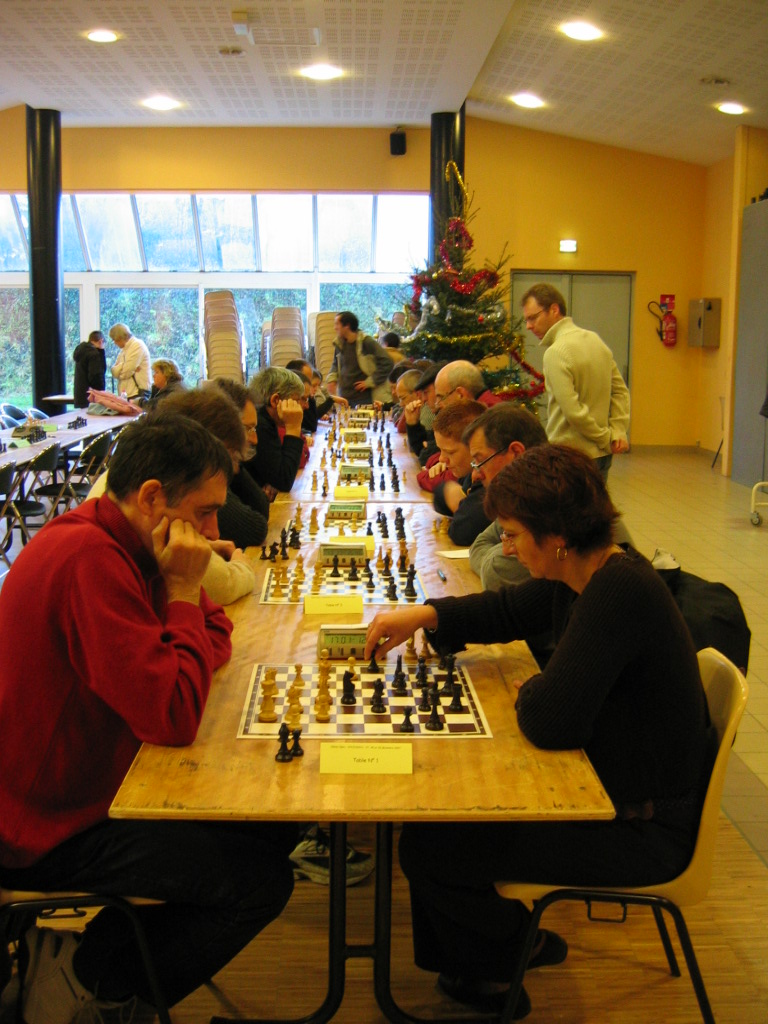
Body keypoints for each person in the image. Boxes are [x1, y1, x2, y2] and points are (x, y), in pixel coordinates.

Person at [364, 444, 711, 1020]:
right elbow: (505, 611)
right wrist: (427, 614)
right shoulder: (586, 572)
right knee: (437, 825)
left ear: (556, 537)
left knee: (433, 846)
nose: (506, 547)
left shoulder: (618, 591)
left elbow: (550, 722)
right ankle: (482, 961)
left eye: (512, 535)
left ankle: (507, 957)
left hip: (642, 827)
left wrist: (534, 689)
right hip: (607, 791)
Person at [0, 413, 298, 1021]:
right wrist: (183, 594)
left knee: (276, 824)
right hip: (42, 827)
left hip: (90, 787)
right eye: (205, 512)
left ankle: (83, 959)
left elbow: (215, 634)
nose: (214, 532)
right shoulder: (90, 558)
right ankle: (85, 986)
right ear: (153, 496)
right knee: (258, 883)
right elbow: (173, 713)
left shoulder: (122, 542)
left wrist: (184, 614)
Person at [521, 283, 630, 480]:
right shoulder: (595, 341)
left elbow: (572, 411)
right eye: (526, 320)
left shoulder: (556, 352)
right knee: (596, 500)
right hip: (602, 455)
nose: (528, 326)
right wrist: (617, 432)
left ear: (554, 310)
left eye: (533, 318)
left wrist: (605, 437)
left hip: (569, 456)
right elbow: (621, 392)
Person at [428, 401, 489, 546]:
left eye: (450, 452)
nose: (441, 459)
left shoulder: (487, 476)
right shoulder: (468, 472)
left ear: (475, 446)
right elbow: (439, 498)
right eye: (440, 450)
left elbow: (463, 530)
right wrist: (448, 491)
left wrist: (457, 500)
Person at [244, 366, 306, 498]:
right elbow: (284, 480)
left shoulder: (266, 419)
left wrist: (271, 481)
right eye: (296, 400)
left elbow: (278, 475)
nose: (303, 406)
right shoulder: (260, 425)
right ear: (275, 400)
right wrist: (294, 427)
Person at [325, 311, 393, 407]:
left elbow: (387, 362)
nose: (335, 328)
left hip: (364, 399)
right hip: (344, 397)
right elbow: (336, 364)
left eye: (337, 324)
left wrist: (371, 381)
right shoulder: (339, 343)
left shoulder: (366, 342)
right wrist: (332, 379)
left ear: (347, 326)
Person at [108, 323, 151, 402]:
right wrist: (125, 367)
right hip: (125, 394)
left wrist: (121, 370)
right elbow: (114, 372)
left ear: (120, 338)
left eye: (114, 340)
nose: (114, 343)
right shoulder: (124, 350)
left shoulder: (137, 346)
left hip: (137, 393)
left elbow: (126, 373)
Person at [72, 330, 106, 408]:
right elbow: (96, 375)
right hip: (92, 396)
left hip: (80, 394)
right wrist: (101, 392)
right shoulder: (94, 354)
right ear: (101, 341)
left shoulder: (81, 351)